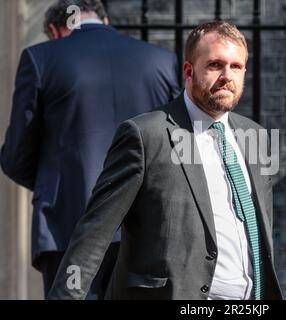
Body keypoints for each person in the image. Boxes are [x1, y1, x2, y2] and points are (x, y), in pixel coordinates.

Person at [47, 20, 282, 300]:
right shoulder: (146, 135)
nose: (227, 76)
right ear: (188, 71)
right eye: (215, 65)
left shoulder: (255, 136)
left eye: (236, 66)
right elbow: (94, 232)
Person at [0, 0, 180, 299]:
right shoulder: (161, 61)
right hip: (144, 225)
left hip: (66, 226)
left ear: (56, 30)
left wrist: (51, 179)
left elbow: (17, 156)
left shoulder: (40, 58)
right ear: (105, 19)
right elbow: (177, 145)